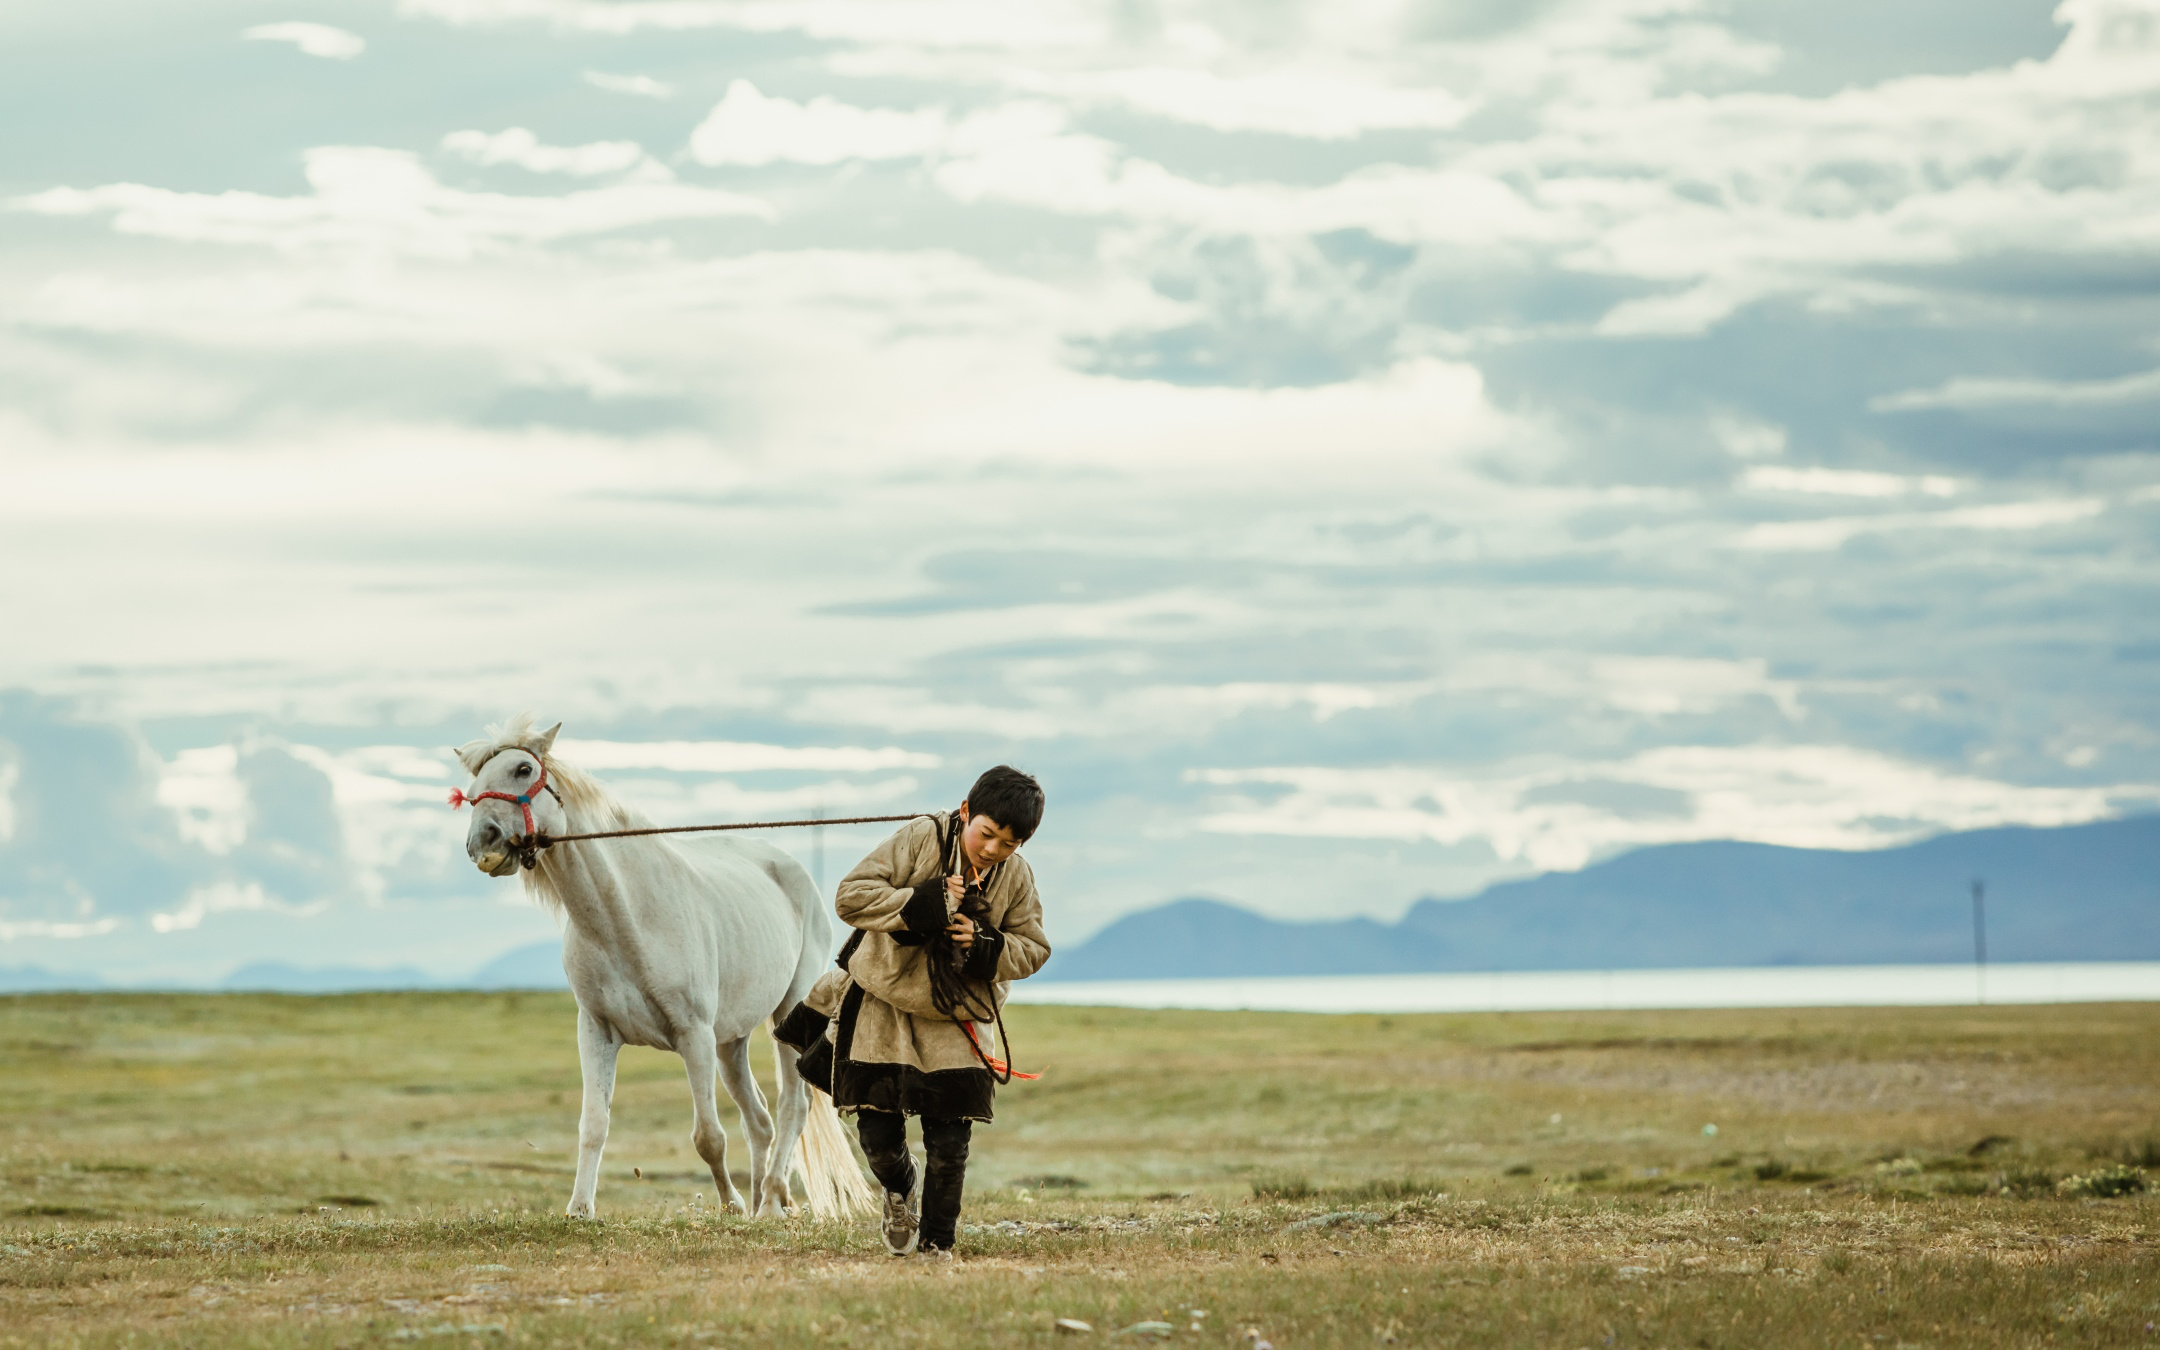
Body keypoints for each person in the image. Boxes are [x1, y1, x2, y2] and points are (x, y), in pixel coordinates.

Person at [774, 766, 1050, 1257]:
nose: (992, 850)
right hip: (883, 1002)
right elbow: (850, 896)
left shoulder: (1017, 876)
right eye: (986, 834)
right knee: (878, 1137)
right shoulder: (921, 836)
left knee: (950, 1144)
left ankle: (937, 1248)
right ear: (967, 812)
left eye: (1008, 844)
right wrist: (924, 904)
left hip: (957, 1017)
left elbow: (1033, 946)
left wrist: (986, 945)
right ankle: (900, 1191)